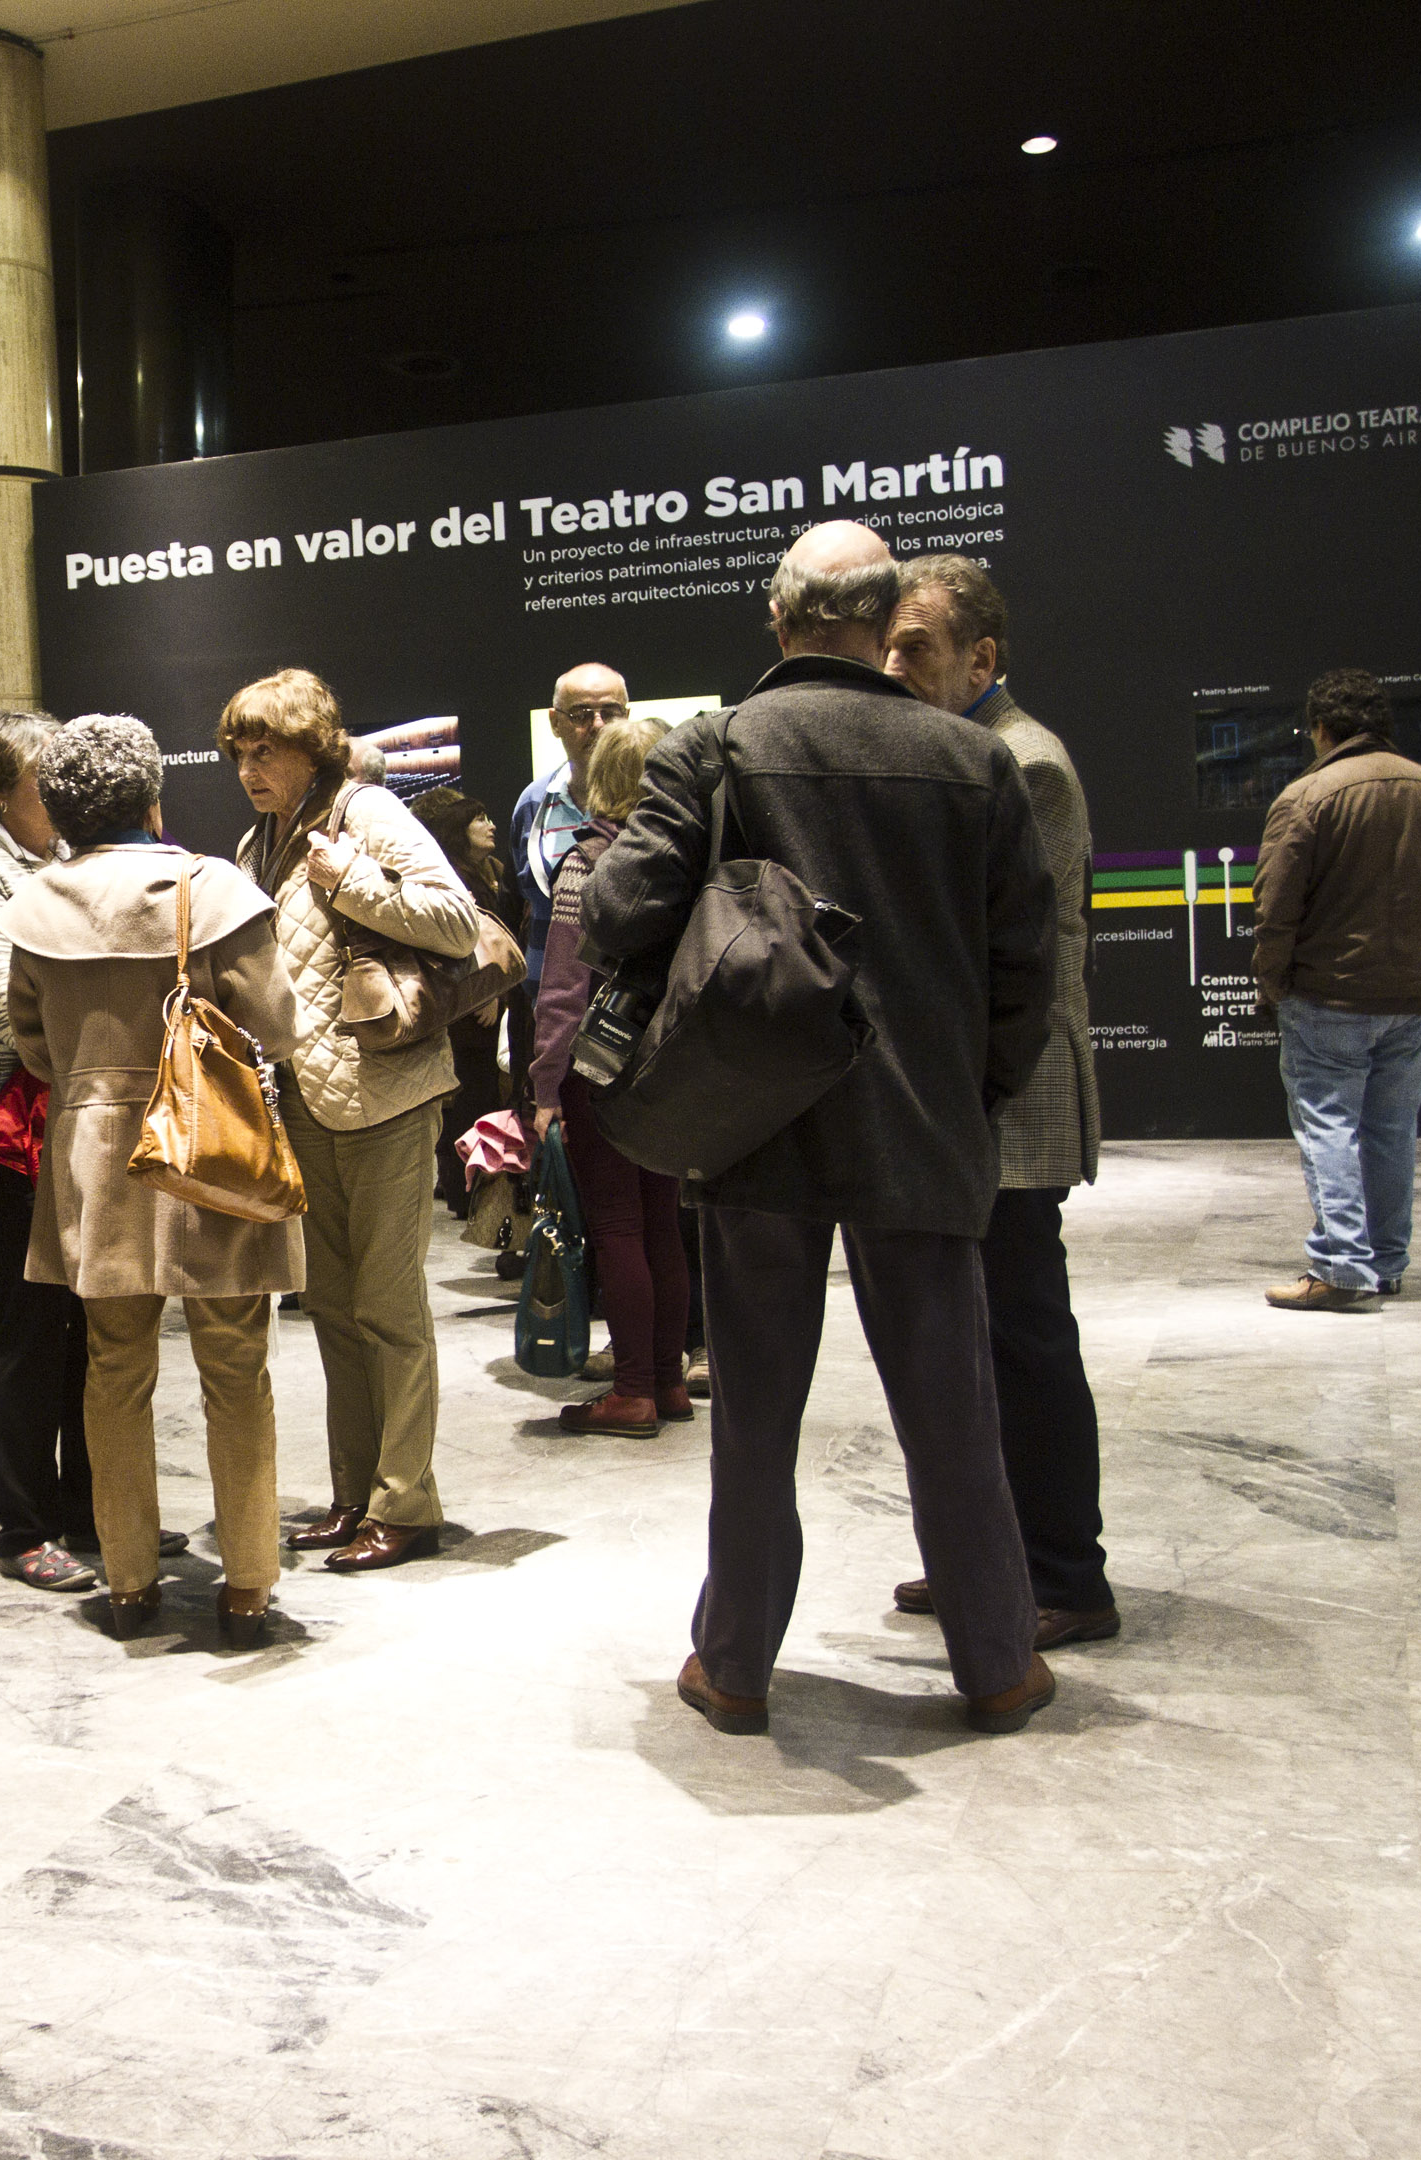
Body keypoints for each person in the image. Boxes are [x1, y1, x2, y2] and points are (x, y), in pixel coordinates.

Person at [580, 519, 1059, 1737]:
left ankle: (735, 1665)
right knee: (952, 1414)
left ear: (780, 622)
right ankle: (999, 1663)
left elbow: (623, 909)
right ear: (884, 619)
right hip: (922, 1128)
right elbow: (1024, 975)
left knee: (755, 1421)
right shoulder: (973, 761)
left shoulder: (718, 746)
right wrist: (972, 1097)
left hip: (754, 1127)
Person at [4, 716, 303, 1646]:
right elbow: (278, 1026)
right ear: (152, 798)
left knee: (113, 1368)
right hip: (209, 1142)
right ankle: (248, 1584)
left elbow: (30, 1041)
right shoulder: (211, 889)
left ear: (56, 807)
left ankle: (128, 1582)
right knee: (235, 1368)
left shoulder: (34, 904)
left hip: (96, 1156)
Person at [883, 555, 1117, 1649]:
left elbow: (1015, 966)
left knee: (1023, 1342)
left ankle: (1067, 1576)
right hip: (969, 1100)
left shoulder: (1026, 765)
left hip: (1011, 1100)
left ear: (983, 657)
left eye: (915, 647)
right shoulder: (967, 754)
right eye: (886, 644)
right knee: (972, 1344)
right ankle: (988, 1554)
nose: (893, 666)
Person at [228, 668, 481, 1574]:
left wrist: (357, 884)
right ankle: (353, 1492)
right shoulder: (264, 836)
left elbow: (459, 922)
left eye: (269, 751)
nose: (251, 768)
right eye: (241, 754)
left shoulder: (365, 816)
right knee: (333, 1305)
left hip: (386, 1095)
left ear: (312, 749)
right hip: (307, 1099)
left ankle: (406, 1503)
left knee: (388, 1304)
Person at [1251, 668, 1421, 1310]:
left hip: (1329, 994)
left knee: (1329, 1125)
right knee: (1390, 1129)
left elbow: (1275, 907)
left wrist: (1272, 984)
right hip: (1414, 994)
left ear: (1321, 729)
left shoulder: (1308, 795)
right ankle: (1384, 1262)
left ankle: (1343, 1269)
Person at [0, 711, 100, 1593]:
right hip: (14, 1121)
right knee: (33, 1327)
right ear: (1, 790)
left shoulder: (74, 857)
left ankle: (89, 1507)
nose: (65, 795)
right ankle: (25, 1527)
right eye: (47, 780)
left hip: (83, 1115)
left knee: (94, 1326)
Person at [528, 718, 689, 1435]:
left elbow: (564, 989)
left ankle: (630, 1391)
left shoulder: (586, 862)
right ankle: (667, 1380)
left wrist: (541, 1088)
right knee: (663, 1226)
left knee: (617, 1227)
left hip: (599, 1068)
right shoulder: (689, 859)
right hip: (669, 1066)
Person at [411, 786, 528, 1210]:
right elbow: (461, 945)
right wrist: (487, 993)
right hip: (469, 1008)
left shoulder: (492, 870)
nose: (491, 825)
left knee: (483, 1093)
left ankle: (475, 1189)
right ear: (458, 831)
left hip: (493, 1002)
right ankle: (467, 1193)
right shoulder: (454, 880)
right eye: (479, 819)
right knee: (468, 1096)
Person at [510, 663, 628, 970]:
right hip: (548, 1000)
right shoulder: (532, 804)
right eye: (581, 714)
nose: (599, 725)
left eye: (610, 712)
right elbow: (522, 902)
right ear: (555, 722)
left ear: (627, 718)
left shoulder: (652, 798)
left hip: (631, 1003)